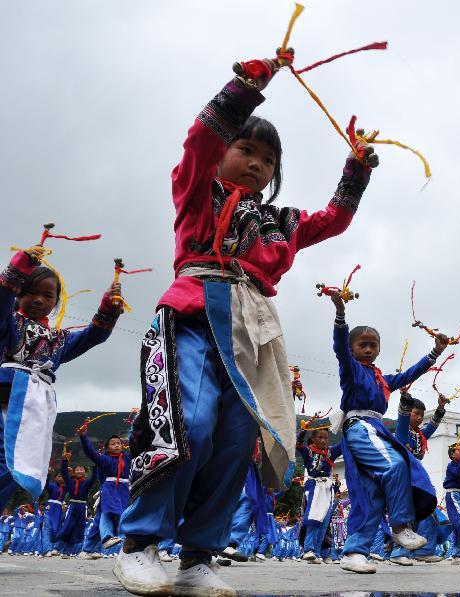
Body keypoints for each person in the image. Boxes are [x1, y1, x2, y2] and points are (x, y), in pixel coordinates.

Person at [114, 47, 379, 597]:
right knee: (191, 422)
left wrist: (357, 166)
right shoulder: (196, 192)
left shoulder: (282, 222)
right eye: (245, 149)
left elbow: (335, 219)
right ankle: (141, 543)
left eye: (268, 159)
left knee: (237, 440)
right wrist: (243, 91)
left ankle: (199, 556)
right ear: (224, 153)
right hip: (191, 315)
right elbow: (199, 141)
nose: (256, 163)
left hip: (254, 332)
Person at [327, 292, 447, 573]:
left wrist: (436, 352)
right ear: (352, 347)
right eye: (362, 345)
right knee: (396, 465)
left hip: (376, 428)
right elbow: (339, 350)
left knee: (373, 496)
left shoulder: (382, 378)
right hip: (360, 427)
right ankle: (402, 525)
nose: (368, 349)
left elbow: (410, 375)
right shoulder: (352, 370)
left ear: (379, 349)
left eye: (373, 345)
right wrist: (340, 316)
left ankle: (354, 552)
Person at [0, 249, 122, 509]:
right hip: (6, 399)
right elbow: (2, 300)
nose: (38, 300)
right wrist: (18, 268)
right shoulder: (9, 323)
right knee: (4, 459)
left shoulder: (59, 340)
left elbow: (93, 336)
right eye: (31, 292)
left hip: (35, 410)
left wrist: (108, 309)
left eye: (47, 295)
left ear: (56, 301)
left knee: (17, 469)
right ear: (19, 293)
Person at [390, 391, 450, 564]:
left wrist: (440, 408)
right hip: (404, 476)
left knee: (428, 513)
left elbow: (431, 426)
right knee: (405, 514)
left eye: (421, 415)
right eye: (416, 414)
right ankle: (398, 552)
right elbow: (402, 419)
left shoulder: (420, 435)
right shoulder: (402, 432)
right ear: (408, 413)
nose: (419, 418)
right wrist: (405, 400)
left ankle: (424, 551)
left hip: (418, 477)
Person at [296, 424, 342, 563]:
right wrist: (304, 430)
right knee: (314, 518)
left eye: (326, 438)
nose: (323, 440)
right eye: (320, 437)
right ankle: (308, 549)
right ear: (313, 438)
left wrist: (344, 426)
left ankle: (316, 552)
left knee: (325, 522)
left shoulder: (331, 452)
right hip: (314, 485)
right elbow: (298, 443)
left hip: (327, 487)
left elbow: (343, 444)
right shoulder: (307, 451)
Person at [79, 432, 130, 549]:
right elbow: (91, 453)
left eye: (118, 443)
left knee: (103, 518)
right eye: (113, 444)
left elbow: (139, 448)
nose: (116, 445)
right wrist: (83, 437)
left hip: (123, 490)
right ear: (107, 447)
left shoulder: (128, 458)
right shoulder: (104, 459)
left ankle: (87, 550)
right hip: (110, 489)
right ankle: (107, 538)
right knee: (109, 512)